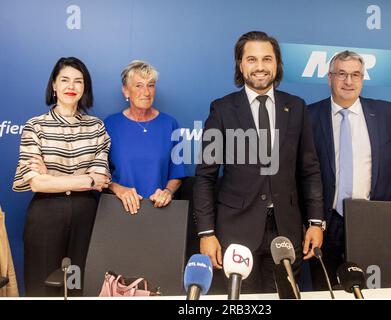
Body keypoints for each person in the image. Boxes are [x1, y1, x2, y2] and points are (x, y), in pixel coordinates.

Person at [193, 31, 324, 293]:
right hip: (236, 232)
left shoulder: (296, 107)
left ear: (277, 64)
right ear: (240, 65)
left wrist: (316, 223)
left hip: (286, 232)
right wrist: (206, 233)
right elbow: (206, 176)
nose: (260, 67)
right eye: (251, 59)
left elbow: (309, 170)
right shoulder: (222, 109)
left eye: (267, 59)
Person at [307, 50, 391, 290]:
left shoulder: (387, 114)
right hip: (325, 225)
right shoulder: (308, 115)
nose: (348, 81)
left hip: (375, 220)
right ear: (330, 78)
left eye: (355, 75)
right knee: (325, 292)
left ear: (362, 78)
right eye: (342, 74)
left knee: (377, 291)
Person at [12, 57, 111, 296]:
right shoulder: (35, 126)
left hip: (86, 214)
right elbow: (36, 183)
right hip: (46, 213)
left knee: (81, 286)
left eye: (79, 81)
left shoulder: (96, 127)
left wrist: (52, 176)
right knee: (41, 287)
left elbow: (99, 179)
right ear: (54, 86)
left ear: (84, 88)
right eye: (65, 80)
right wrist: (84, 179)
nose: (71, 86)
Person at [104, 60, 186, 213]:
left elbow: (177, 172)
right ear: (126, 91)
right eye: (138, 85)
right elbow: (99, 172)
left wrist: (167, 192)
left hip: (159, 211)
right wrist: (118, 189)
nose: (146, 92)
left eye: (151, 85)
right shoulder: (110, 124)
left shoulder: (170, 124)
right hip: (118, 210)